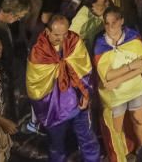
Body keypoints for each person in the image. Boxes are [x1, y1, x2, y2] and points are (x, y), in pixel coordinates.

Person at [26, 16, 102, 162]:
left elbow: (85, 70)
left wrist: (85, 94)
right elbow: (35, 85)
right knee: (57, 146)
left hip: (78, 102)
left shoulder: (74, 41)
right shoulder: (39, 52)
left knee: (87, 139)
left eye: (64, 34)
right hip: (54, 108)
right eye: (56, 35)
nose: (61, 38)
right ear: (47, 31)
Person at [93, 6, 142, 162]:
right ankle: (121, 157)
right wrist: (130, 67)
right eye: (106, 23)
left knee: (140, 121)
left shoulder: (134, 39)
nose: (110, 27)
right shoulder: (100, 44)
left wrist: (117, 79)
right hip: (115, 97)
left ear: (122, 21)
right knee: (116, 130)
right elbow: (106, 75)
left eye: (114, 22)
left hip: (136, 91)